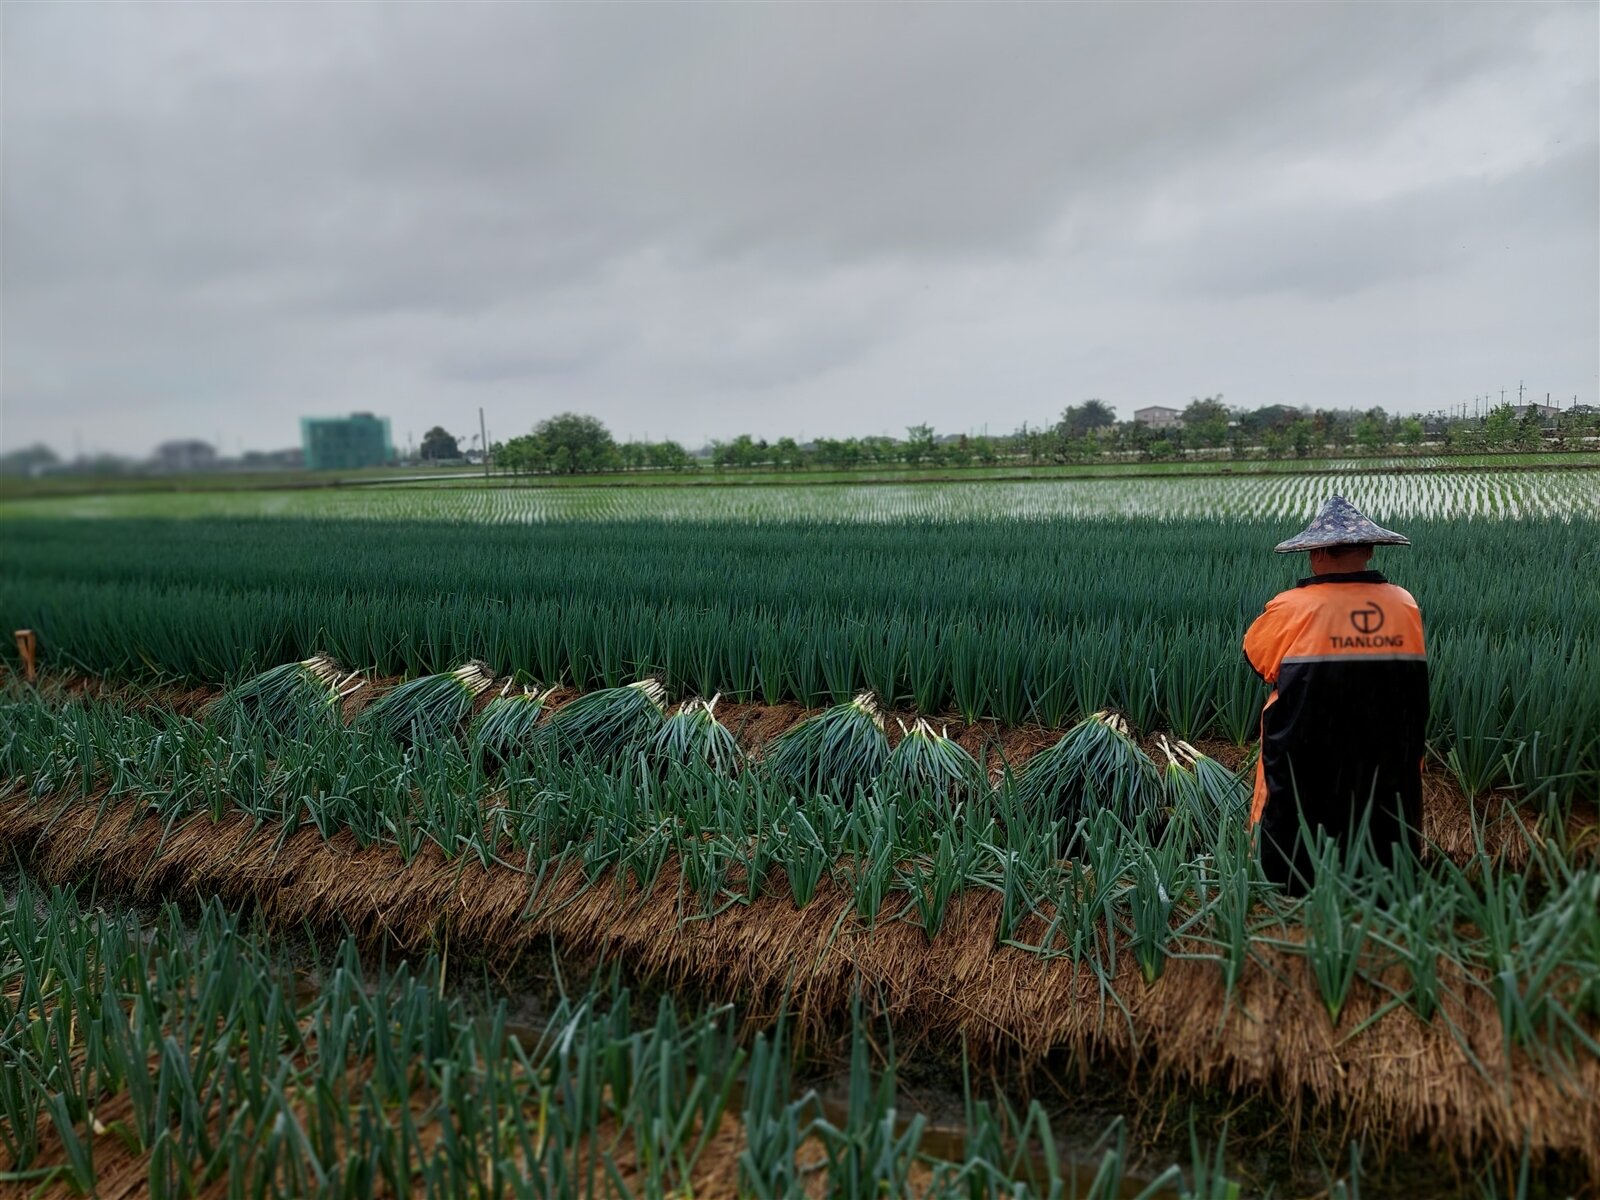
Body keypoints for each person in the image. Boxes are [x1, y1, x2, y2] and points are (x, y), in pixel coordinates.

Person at [1242, 496, 1429, 892]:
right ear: (1369, 550)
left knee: (1294, 854)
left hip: (1304, 759)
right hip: (1386, 758)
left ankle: (1293, 901)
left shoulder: (1291, 607)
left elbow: (1258, 661)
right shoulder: (1403, 603)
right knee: (1380, 842)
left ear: (1319, 552)